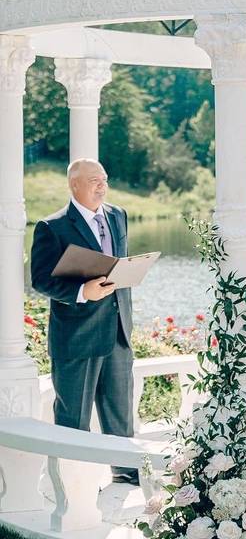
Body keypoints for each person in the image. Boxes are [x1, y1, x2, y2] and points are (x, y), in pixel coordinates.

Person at [30, 159, 138, 485]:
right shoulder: (52, 227)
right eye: (94, 180)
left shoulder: (118, 215)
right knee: (73, 418)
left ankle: (125, 472)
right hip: (76, 335)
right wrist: (81, 291)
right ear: (74, 185)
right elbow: (40, 280)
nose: (101, 185)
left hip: (118, 329)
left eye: (104, 178)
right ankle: (71, 484)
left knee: (120, 411)